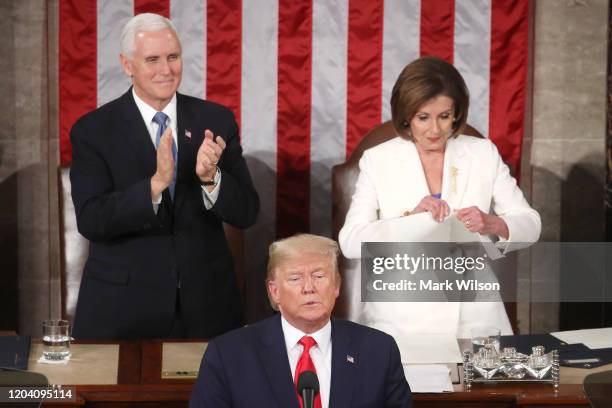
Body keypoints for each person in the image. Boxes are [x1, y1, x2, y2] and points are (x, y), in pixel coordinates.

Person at [69, 13, 259, 339]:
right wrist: (155, 186)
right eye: (152, 59)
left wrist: (211, 178)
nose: (166, 70)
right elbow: (92, 220)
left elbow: (247, 212)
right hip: (123, 310)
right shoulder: (94, 131)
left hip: (208, 308)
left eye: (173, 57)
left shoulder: (215, 120)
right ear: (127, 65)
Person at [338, 56, 541, 339]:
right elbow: (349, 241)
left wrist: (491, 223)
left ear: (457, 113)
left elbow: (530, 225)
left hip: (474, 314)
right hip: (401, 317)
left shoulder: (483, 153)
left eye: (444, 116)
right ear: (406, 115)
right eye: (423, 117)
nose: (435, 130)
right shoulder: (378, 160)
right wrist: (407, 222)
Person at [189, 234, 411, 408]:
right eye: (295, 278)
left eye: (319, 276)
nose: (309, 288)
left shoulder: (379, 350)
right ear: (274, 291)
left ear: (336, 286)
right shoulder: (229, 355)